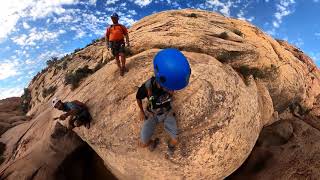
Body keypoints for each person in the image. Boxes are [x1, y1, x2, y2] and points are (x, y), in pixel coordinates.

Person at [136, 48, 191, 157]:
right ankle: (153, 142)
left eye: (173, 88)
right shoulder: (148, 87)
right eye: (170, 88)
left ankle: (170, 146)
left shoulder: (171, 81)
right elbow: (138, 97)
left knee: (175, 140)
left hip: (166, 111)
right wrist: (141, 111)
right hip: (153, 113)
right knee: (143, 143)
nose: (172, 91)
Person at [105, 12, 130, 76]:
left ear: (117, 18)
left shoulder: (121, 26)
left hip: (120, 42)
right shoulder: (109, 27)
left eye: (114, 18)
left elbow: (126, 34)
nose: (113, 19)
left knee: (122, 54)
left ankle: (123, 67)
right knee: (116, 56)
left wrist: (127, 41)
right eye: (112, 18)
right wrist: (107, 44)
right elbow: (106, 36)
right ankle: (120, 68)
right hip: (112, 43)